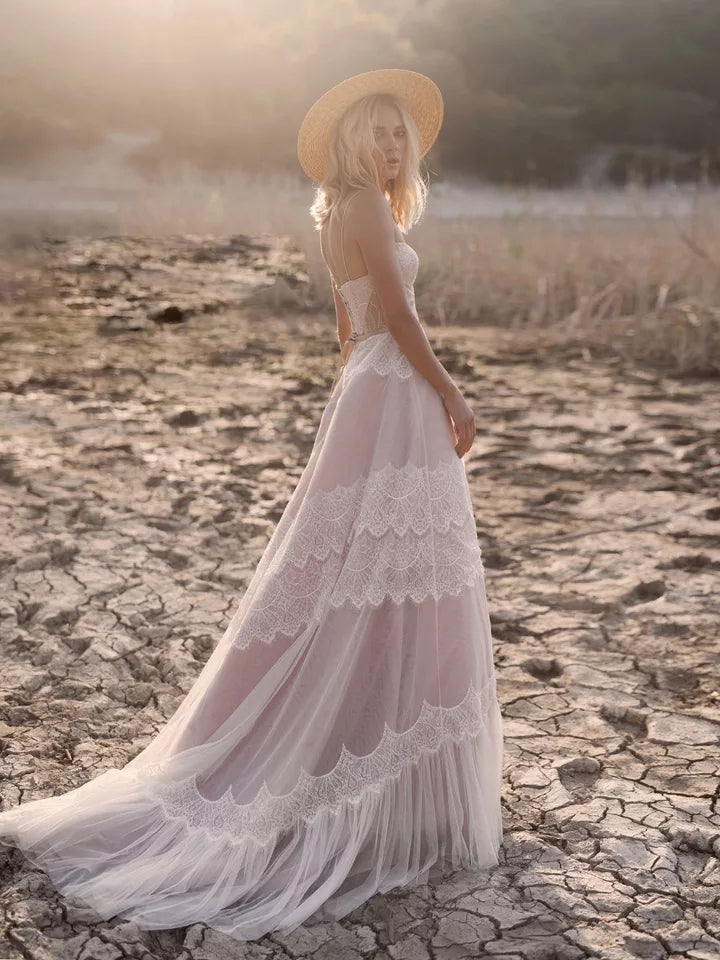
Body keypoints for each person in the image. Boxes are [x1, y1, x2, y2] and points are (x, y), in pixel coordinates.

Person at [0, 68, 504, 941]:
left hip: (368, 394)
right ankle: (371, 786)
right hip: (391, 395)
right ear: (352, 143)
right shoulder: (367, 210)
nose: (394, 147)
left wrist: (366, 397)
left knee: (374, 579)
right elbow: (394, 317)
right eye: (379, 133)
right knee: (388, 578)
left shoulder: (339, 212)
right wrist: (451, 391)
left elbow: (348, 333)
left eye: (401, 135)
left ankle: (386, 786)